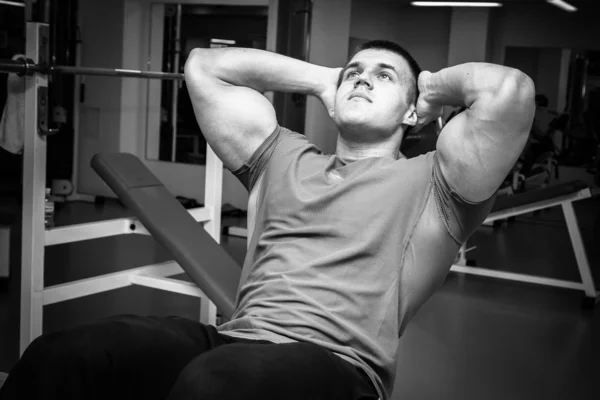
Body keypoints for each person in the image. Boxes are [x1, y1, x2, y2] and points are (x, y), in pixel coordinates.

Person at [0, 40, 535, 400]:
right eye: (355, 72)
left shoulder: (437, 183)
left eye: (384, 76)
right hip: (236, 339)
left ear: (413, 111)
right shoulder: (283, 157)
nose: (362, 79)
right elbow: (204, 67)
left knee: (216, 383)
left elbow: (508, 92)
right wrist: (326, 79)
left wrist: (429, 87)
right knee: (65, 355)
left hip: (341, 366)